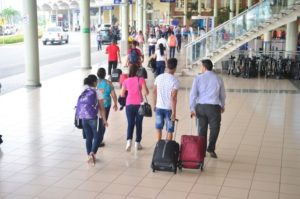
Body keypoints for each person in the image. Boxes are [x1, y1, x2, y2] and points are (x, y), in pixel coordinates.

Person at [189, 59, 226, 159]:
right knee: (215, 128)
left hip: (200, 107)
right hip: (214, 107)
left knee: (201, 129)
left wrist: (192, 108)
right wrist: (222, 105)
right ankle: (211, 148)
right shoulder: (218, 78)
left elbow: (193, 94)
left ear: (204, 68)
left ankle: (202, 150)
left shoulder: (198, 78)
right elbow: (222, 95)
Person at [76, 74, 108, 166]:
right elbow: (102, 108)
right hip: (95, 118)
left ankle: (89, 155)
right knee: (98, 137)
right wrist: (105, 120)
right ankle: (92, 153)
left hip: (84, 117)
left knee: (88, 137)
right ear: (94, 82)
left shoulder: (83, 91)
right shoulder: (97, 91)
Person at [120, 65, 149, 151]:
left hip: (129, 105)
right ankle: (137, 143)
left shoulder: (126, 81)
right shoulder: (141, 79)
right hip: (139, 105)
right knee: (139, 124)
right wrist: (142, 87)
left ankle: (129, 141)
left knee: (130, 123)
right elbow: (146, 93)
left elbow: (122, 94)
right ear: (138, 71)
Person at [153, 58, 179, 141]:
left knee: (158, 128)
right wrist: (174, 113)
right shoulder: (175, 81)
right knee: (169, 130)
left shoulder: (158, 77)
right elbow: (173, 98)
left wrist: (154, 105)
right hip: (169, 109)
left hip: (159, 107)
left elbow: (154, 92)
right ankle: (167, 149)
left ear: (167, 66)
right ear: (175, 68)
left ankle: (158, 146)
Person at [97, 68, 118, 147]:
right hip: (106, 105)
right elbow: (113, 95)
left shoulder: (95, 82)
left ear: (97, 74)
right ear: (105, 74)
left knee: (98, 122)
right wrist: (115, 104)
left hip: (97, 105)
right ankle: (100, 140)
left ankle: (96, 138)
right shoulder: (109, 83)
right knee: (104, 121)